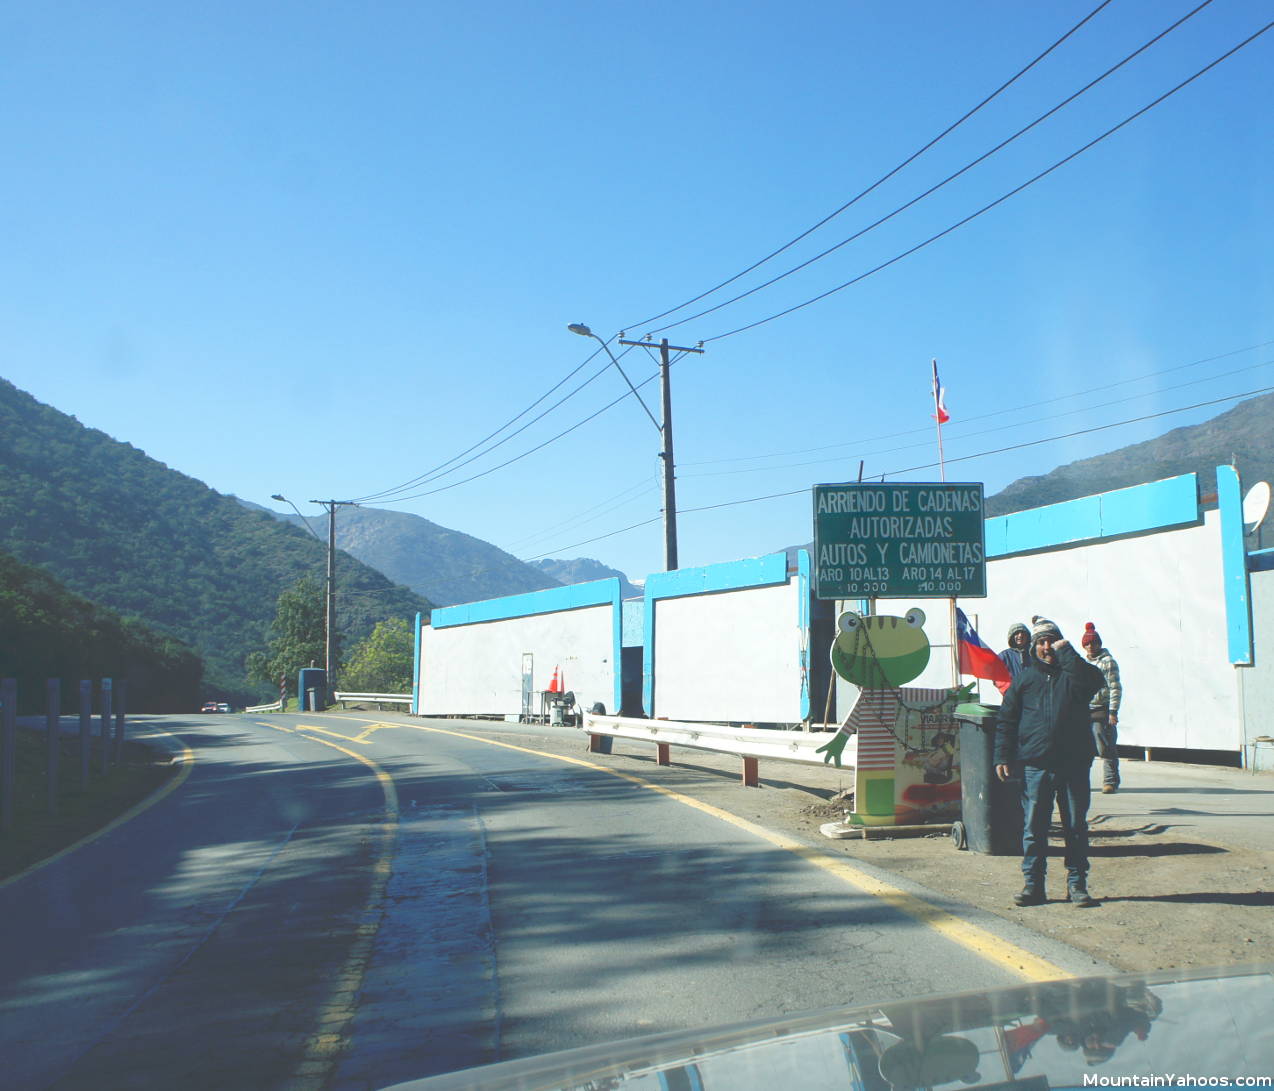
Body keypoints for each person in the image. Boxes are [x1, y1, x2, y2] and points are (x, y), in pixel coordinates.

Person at [994, 615, 1105, 908]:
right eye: (1041, 642)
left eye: (1050, 641)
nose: (1046, 647)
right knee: (1034, 829)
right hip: (1036, 765)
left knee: (1075, 827)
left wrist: (1066, 651)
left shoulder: (1075, 675)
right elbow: (1007, 720)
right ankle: (1034, 885)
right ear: (1033, 647)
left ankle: (1077, 885)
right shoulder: (1025, 680)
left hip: (1074, 764)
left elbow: (1095, 682)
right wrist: (1003, 755)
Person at [1082, 622, 1122, 794]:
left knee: (1105, 746)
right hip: (1085, 709)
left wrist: (1113, 711)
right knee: (1084, 748)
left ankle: (1110, 781)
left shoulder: (1108, 662)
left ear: (1099, 643)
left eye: (1093, 643)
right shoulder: (1083, 663)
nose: (1091, 646)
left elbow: (1115, 687)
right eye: (1087, 643)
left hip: (1102, 709)